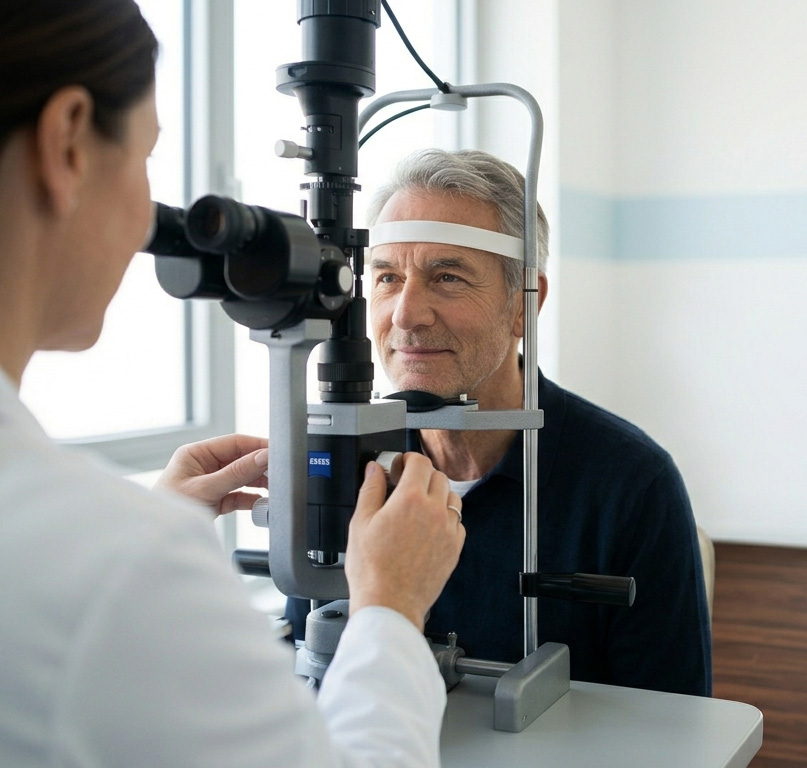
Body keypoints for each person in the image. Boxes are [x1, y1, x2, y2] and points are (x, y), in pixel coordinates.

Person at [0, 3, 466, 765]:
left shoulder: (97, 548)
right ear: (67, 145)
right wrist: (389, 608)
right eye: (147, 155)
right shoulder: (117, 562)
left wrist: (148, 531)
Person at [288, 149, 713, 696]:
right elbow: (301, 667)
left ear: (523, 304)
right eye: (388, 277)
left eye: (447, 277)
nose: (405, 314)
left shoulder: (631, 486)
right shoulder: (343, 464)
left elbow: (674, 726)